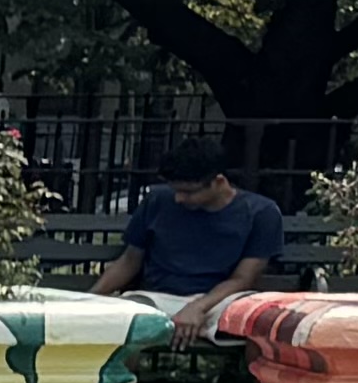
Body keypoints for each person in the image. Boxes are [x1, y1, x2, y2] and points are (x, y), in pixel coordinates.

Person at [96, 142, 288, 339]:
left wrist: (198, 307)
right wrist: (90, 298)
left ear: (219, 182)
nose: (179, 198)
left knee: (259, 320)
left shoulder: (261, 213)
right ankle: (121, 371)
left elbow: (243, 278)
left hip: (221, 301)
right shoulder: (157, 200)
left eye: (188, 192)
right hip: (158, 297)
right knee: (128, 319)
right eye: (175, 190)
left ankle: (252, 371)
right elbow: (129, 261)